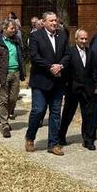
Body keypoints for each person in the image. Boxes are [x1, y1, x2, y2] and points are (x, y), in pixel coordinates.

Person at [25, 11, 70, 155]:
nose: (54, 23)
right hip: (41, 80)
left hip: (58, 81)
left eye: (55, 20)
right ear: (43, 22)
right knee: (38, 110)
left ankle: (53, 144)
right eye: (51, 21)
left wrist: (60, 66)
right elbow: (34, 56)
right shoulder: (35, 36)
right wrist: (50, 67)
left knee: (56, 113)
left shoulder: (62, 35)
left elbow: (67, 54)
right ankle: (30, 137)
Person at [59, 29, 97, 150]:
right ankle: (61, 136)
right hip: (72, 88)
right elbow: (65, 71)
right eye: (81, 38)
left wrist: (95, 85)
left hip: (87, 89)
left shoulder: (91, 52)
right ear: (76, 39)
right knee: (68, 114)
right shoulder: (70, 52)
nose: (84, 41)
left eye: (86, 38)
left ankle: (88, 140)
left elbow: (93, 71)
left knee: (88, 115)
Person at [0, 19, 26, 138]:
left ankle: (2, 114)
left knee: (13, 99)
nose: (14, 30)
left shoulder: (17, 39)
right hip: (3, 74)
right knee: (3, 99)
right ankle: (5, 124)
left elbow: (21, 56)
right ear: (4, 29)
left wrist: (22, 72)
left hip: (15, 73)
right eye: (11, 28)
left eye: (15, 28)